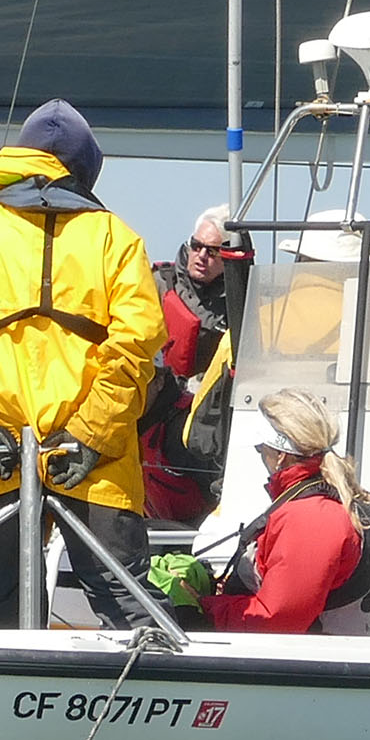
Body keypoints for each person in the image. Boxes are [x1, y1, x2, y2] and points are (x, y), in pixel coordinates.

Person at [0, 100, 164, 629]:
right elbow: (137, 345)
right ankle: (154, 681)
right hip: (94, 460)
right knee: (127, 605)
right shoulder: (115, 238)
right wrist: (89, 437)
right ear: (85, 170)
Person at [189, 388, 370, 634]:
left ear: (280, 455)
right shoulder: (323, 501)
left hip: (302, 655)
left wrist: (202, 610)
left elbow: (278, 620)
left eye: (261, 448)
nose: (259, 454)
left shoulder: (311, 517)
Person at [140, 209, 250, 527]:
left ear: (228, 257)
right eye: (196, 246)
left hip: (207, 410)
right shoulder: (157, 284)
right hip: (155, 398)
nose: (201, 256)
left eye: (212, 251)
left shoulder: (241, 301)